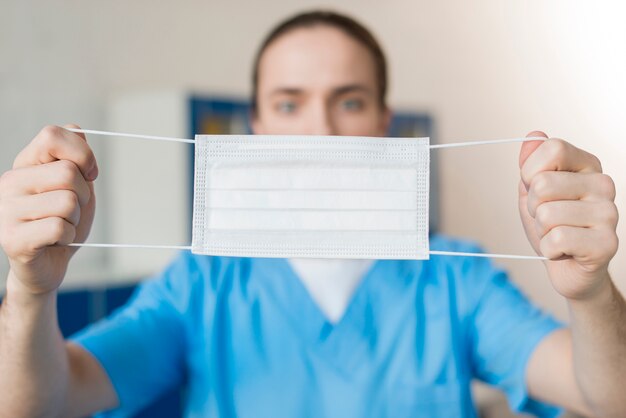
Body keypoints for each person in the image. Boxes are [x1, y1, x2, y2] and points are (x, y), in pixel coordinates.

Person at [0, 10, 624, 418]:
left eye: (348, 102)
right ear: (258, 125)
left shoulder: (454, 278)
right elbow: (39, 401)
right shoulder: (205, 281)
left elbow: (605, 396)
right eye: (290, 103)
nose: (322, 129)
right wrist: (30, 291)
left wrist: (592, 291)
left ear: (384, 123)